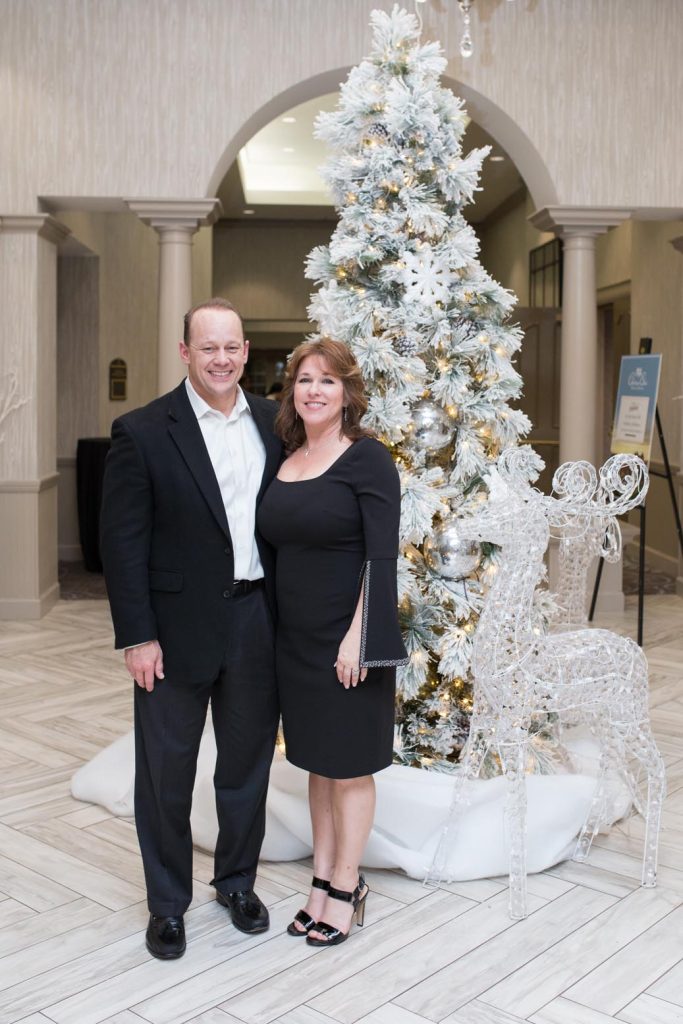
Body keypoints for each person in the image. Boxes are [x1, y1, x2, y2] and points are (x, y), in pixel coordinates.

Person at [99, 297, 281, 960]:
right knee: (165, 776)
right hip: (172, 633)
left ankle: (236, 883)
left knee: (246, 768)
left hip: (258, 621)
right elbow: (122, 543)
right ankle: (167, 904)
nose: (221, 359)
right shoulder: (144, 430)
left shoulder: (275, 423)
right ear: (185, 352)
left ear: (245, 350)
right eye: (208, 347)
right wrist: (137, 636)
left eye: (232, 347)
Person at [257, 338, 407, 947]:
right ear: (291, 390)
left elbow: (381, 558)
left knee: (348, 770)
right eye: (304, 379)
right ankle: (321, 880)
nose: (314, 390)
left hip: (347, 642)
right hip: (294, 643)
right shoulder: (287, 457)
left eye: (327, 380)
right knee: (317, 767)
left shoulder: (367, 459)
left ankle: (348, 885)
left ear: (347, 392)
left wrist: (357, 640)